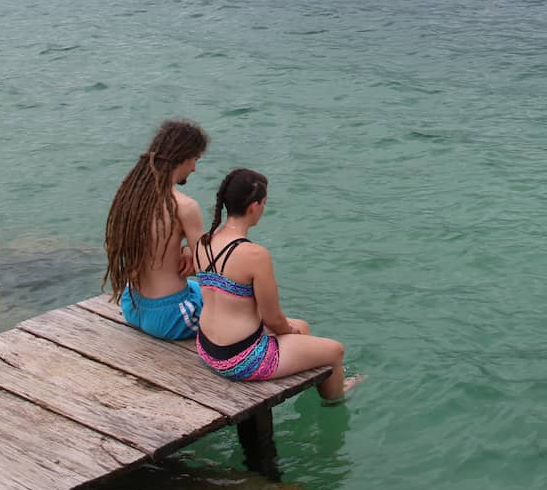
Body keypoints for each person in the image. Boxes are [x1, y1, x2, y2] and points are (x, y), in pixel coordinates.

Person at [194, 167, 362, 400]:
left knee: (302, 326)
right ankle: (334, 400)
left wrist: (294, 330)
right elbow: (272, 318)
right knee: (336, 351)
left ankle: (313, 380)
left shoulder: (203, 243)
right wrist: (288, 331)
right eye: (264, 203)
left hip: (208, 347)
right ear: (254, 207)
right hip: (240, 360)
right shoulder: (254, 254)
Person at [103, 119, 209, 340]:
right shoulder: (185, 206)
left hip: (133, 305)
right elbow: (208, 270)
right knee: (240, 306)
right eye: (195, 160)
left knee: (193, 288)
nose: (194, 168)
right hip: (171, 318)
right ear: (184, 156)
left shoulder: (132, 195)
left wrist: (186, 252)